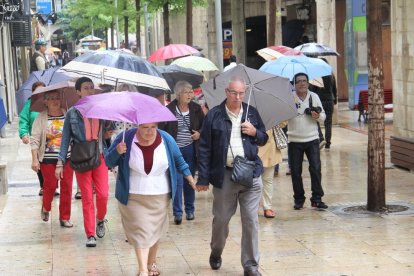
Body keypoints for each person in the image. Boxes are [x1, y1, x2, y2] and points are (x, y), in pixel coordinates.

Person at [196, 76, 268, 276]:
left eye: (241, 93)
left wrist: (254, 132)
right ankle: (216, 251)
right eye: (234, 93)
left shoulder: (251, 113)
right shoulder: (214, 115)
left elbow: (264, 138)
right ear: (226, 92)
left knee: (251, 220)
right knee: (221, 219)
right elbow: (204, 148)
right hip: (225, 176)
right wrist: (203, 178)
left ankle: (251, 265)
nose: (238, 97)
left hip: (251, 174)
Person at [105, 123, 196, 276]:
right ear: (137, 126)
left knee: (154, 230)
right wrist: (117, 151)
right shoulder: (125, 137)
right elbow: (108, 161)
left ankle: (151, 263)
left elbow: (179, 160)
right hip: (133, 194)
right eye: (145, 127)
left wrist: (191, 180)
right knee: (141, 230)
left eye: (153, 127)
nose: (149, 131)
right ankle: (143, 270)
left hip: (159, 194)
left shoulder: (166, 139)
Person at [55, 77, 113, 247]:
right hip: (81, 158)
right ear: (78, 92)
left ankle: (100, 219)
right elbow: (65, 140)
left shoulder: (100, 110)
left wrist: (108, 130)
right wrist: (60, 163)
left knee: (103, 194)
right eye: (86, 88)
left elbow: (109, 130)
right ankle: (90, 234)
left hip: (100, 155)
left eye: (91, 88)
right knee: (87, 196)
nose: (89, 91)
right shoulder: (72, 113)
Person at [160, 81, 204, 225]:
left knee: (189, 180)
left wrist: (199, 134)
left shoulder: (196, 109)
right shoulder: (169, 110)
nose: (190, 94)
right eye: (187, 92)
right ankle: (177, 212)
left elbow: (205, 127)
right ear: (178, 94)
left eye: (191, 91)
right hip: (175, 150)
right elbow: (162, 130)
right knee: (177, 181)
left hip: (191, 149)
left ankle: (190, 210)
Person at [30, 90, 74, 227]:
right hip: (48, 159)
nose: (55, 101)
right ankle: (46, 207)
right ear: (45, 102)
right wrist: (34, 159)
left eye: (57, 98)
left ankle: (64, 217)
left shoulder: (67, 114)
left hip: (66, 158)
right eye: (51, 98)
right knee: (50, 186)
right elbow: (35, 140)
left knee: (67, 187)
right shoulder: (41, 118)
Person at [288, 73, 328, 210]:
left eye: (304, 81)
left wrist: (317, 116)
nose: (302, 84)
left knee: (316, 169)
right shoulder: (289, 98)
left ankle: (317, 198)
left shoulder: (314, 97)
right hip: (294, 140)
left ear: (308, 83)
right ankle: (299, 199)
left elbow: (323, 116)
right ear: (294, 84)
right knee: (295, 171)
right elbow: (282, 118)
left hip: (312, 139)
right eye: (298, 81)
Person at [19, 81, 47, 196]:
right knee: (39, 161)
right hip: (37, 139)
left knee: (51, 162)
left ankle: (52, 186)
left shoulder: (49, 102)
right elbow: (24, 120)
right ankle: (43, 186)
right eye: (38, 90)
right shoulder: (30, 104)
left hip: (51, 137)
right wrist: (24, 134)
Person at [258, 121, 287, 218]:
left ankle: (267, 207)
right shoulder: (247, 109)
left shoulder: (272, 110)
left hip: (270, 149)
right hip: (252, 148)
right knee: (252, 182)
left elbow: (283, 124)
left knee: (268, 180)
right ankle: (252, 207)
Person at [308, 58, 337, 151]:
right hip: (329, 101)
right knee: (328, 123)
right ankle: (328, 144)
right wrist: (335, 100)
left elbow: (313, 90)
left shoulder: (317, 76)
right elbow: (334, 89)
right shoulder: (331, 75)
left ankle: (321, 138)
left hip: (319, 101)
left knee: (315, 120)